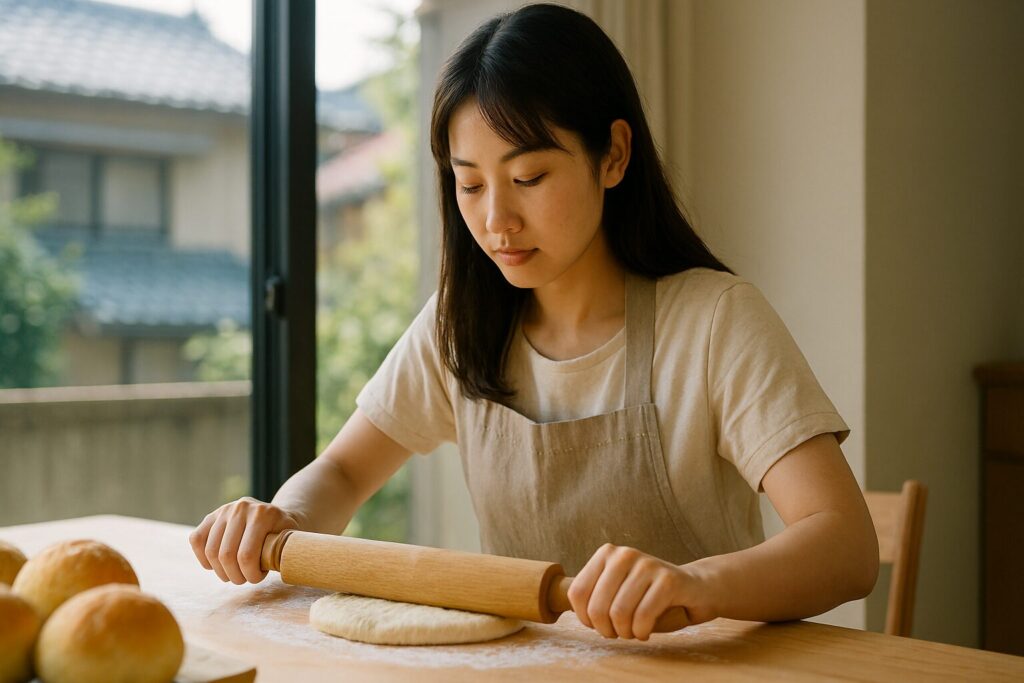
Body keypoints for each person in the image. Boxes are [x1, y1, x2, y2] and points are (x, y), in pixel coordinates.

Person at [190, 3, 878, 642]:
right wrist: (283, 519)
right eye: (471, 184)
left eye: (529, 178)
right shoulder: (457, 327)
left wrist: (698, 583)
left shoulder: (713, 322)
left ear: (612, 154)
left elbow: (845, 544)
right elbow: (341, 471)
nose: (497, 221)